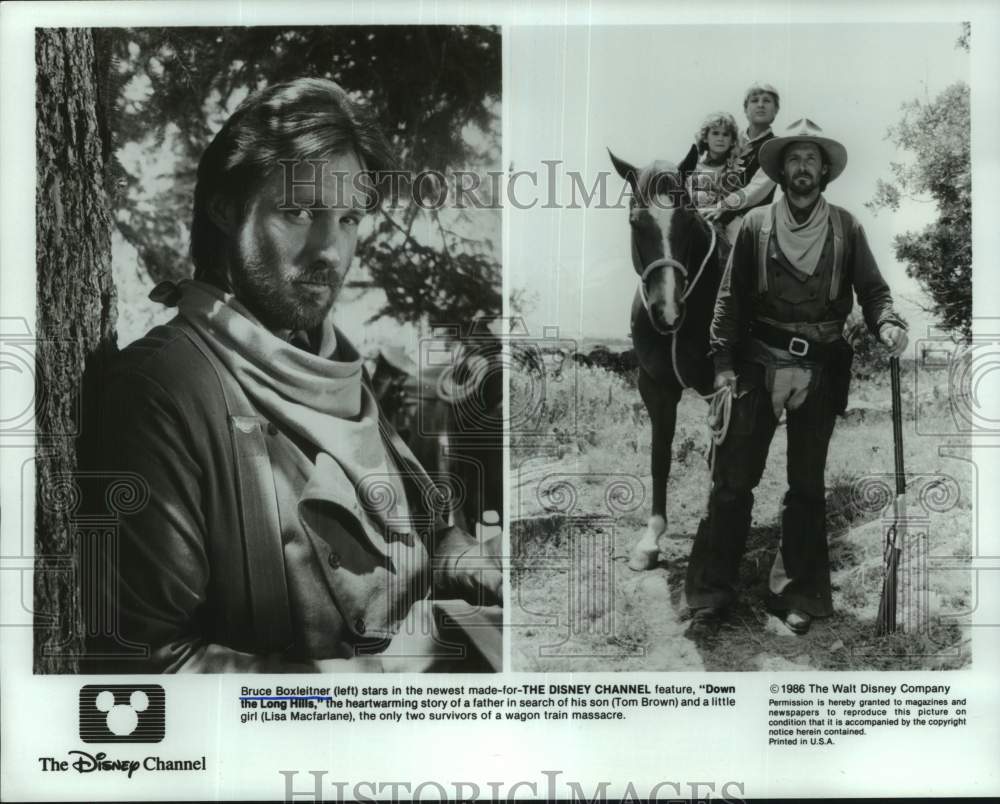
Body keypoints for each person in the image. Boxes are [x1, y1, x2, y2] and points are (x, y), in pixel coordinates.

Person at [92, 78, 502, 672]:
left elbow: (428, 534)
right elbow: (150, 669)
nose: (330, 250)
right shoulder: (162, 391)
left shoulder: (330, 363)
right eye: (300, 211)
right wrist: (382, 684)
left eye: (349, 219)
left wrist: (476, 568)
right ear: (225, 206)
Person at [685, 118, 908, 638]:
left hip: (821, 368)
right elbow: (729, 301)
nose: (802, 167)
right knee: (732, 483)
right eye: (793, 158)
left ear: (824, 171)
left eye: (811, 159)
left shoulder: (847, 227)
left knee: (806, 487)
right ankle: (711, 594)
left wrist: (889, 322)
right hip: (755, 364)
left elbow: (873, 292)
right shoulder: (754, 225)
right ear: (780, 169)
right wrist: (721, 368)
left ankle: (796, 593)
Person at [703, 82, 780, 233]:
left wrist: (724, 206)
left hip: (746, 222)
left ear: (775, 110)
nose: (760, 105)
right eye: (754, 100)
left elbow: (756, 189)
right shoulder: (730, 140)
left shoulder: (775, 148)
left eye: (766, 100)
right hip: (710, 211)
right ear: (745, 109)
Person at [685, 111, 745, 248]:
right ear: (705, 138)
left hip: (725, 221)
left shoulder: (734, 169)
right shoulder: (695, 168)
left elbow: (734, 199)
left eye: (726, 134)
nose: (720, 138)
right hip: (697, 219)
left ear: (732, 141)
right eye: (715, 133)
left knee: (737, 238)